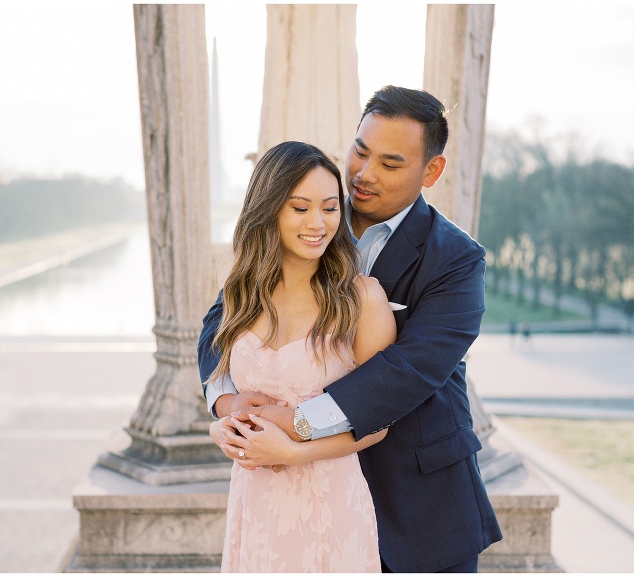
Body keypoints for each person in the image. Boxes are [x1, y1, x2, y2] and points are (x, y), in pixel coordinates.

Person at [199, 86, 503, 572]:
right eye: (360, 151)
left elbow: (408, 371)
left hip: (417, 497)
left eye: (390, 162)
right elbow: (225, 315)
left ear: (431, 171)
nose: (364, 174)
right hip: (292, 501)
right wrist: (226, 399)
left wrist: (293, 425)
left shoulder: (458, 262)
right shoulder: (310, 212)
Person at [203, 140, 397, 572]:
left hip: (329, 505)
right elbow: (233, 392)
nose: (318, 223)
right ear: (269, 209)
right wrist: (223, 427)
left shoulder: (361, 299)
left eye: (330, 208)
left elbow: (379, 424)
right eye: (300, 207)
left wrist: (292, 453)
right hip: (254, 503)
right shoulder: (240, 296)